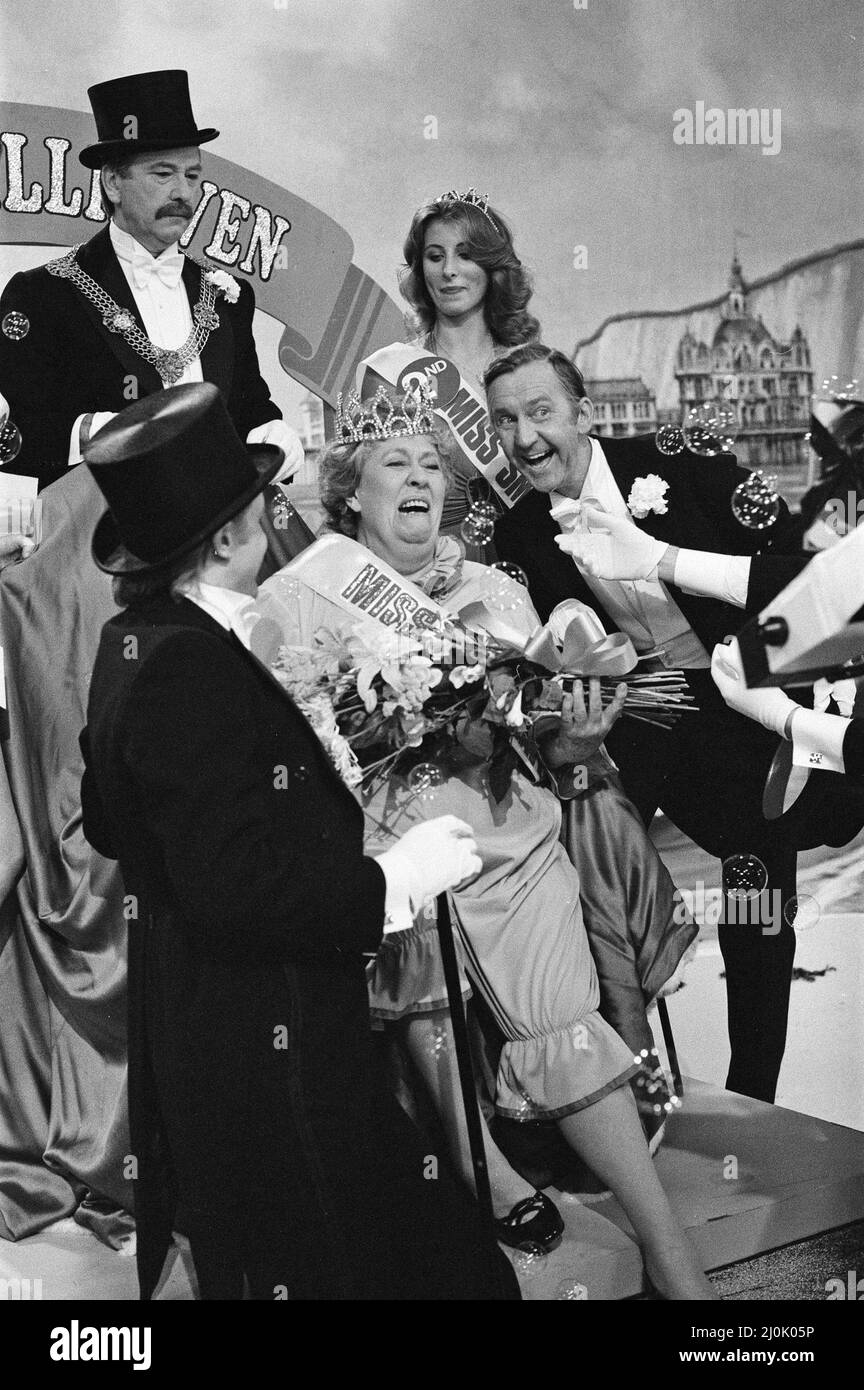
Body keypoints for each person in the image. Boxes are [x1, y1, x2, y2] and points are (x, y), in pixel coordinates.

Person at [252, 384, 713, 1299]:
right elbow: (290, 748)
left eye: (433, 465)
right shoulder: (296, 595)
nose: (421, 477)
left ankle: (670, 1253)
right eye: (397, 463)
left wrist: (575, 737)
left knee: (562, 1020)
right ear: (352, 494)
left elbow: (547, 733)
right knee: (417, 985)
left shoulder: (493, 591)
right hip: (385, 841)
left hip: (508, 828)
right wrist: (382, 728)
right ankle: (486, 1176)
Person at [78, 381, 519, 1302]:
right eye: (256, 505)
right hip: (262, 1043)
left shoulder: (140, 640)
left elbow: (117, 813)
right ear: (232, 537)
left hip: (246, 1032)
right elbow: (231, 888)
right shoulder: (187, 665)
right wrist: (390, 880)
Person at [489, 343, 805, 1105]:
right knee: (590, 886)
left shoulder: (683, 464)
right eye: (505, 421)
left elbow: (793, 562)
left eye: (540, 412)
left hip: (742, 701)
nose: (524, 437)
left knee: (757, 893)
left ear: (584, 415)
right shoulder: (520, 534)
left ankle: (754, 1096)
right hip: (633, 717)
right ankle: (622, 1092)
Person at [0, 69, 303, 490]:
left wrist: (272, 432)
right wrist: (91, 433)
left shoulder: (228, 296)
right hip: (104, 540)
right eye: (163, 174)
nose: (184, 193)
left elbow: (249, 407)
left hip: (221, 535)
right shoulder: (42, 294)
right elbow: (14, 431)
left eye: (193, 176)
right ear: (112, 182)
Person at [365, 188, 539, 535]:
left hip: (536, 562)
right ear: (420, 269)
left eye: (466, 255)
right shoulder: (391, 372)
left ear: (492, 267)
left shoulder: (534, 367)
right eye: (434, 256)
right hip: (433, 564)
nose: (449, 271)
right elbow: (378, 499)